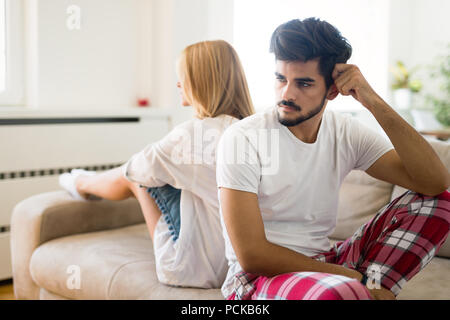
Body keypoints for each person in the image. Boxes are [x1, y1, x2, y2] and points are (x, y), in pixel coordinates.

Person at [216, 18, 450, 300]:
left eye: (303, 83)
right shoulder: (243, 138)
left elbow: (435, 182)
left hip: (327, 260)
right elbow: (252, 256)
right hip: (257, 279)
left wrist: (371, 99)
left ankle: (370, 290)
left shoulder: (345, 132)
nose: (286, 94)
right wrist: (353, 277)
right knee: (339, 291)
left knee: (441, 202)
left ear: (332, 90)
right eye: (281, 79)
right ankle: (367, 290)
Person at [59, 40, 255, 288]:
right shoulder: (253, 132)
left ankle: (81, 183)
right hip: (243, 265)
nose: (178, 84)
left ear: (201, 82)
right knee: (159, 171)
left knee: (135, 176)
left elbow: (134, 169)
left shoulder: (192, 135)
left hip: (195, 269)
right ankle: (83, 181)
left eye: (183, 77)